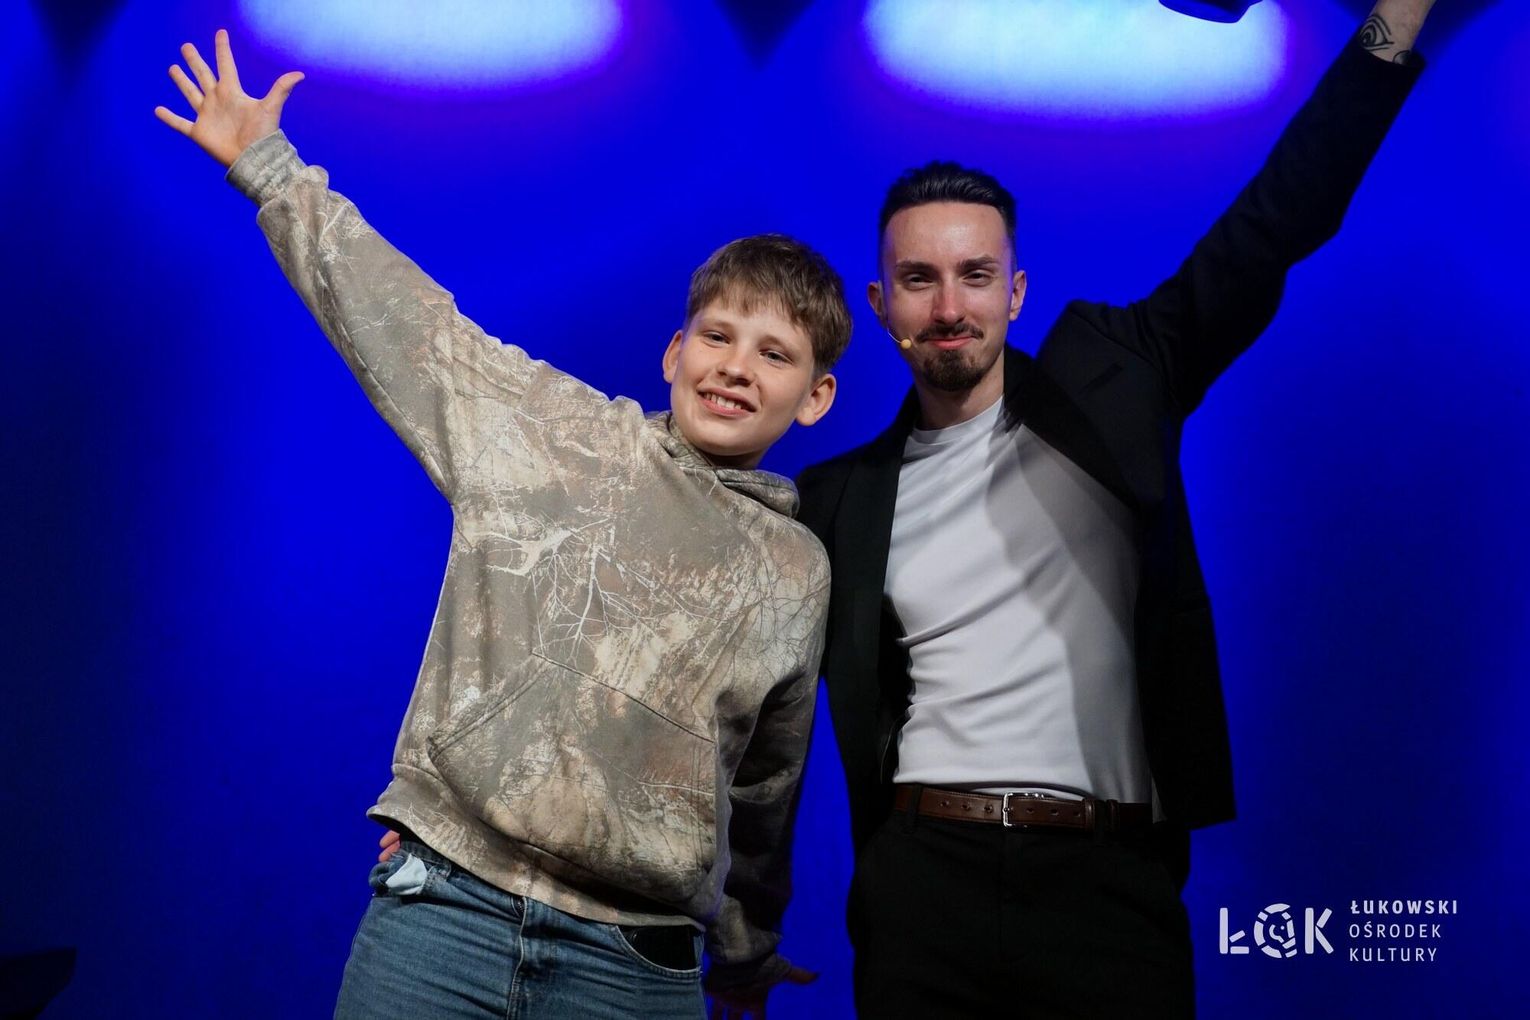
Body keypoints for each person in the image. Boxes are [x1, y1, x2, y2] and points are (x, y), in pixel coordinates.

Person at [155, 30, 845, 1019]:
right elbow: (413, 324)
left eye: (774, 354)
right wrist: (268, 167)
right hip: (446, 915)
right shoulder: (555, 436)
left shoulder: (794, 568)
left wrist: (744, 950)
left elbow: (768, 784)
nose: (736, 366)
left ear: (814, 397)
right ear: (673, 353)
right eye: (717, 335)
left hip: (633, 964)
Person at [795, 1, 1436, 1015]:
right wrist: (741, 915)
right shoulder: (838, 499)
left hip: (1108, 883)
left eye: (976, 277)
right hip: (923, 883)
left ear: (1016, 293)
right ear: (881, 306)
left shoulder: (1120, 376)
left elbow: (1279, 219)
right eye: (919, 280)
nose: (949, 307)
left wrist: (1393, 26)